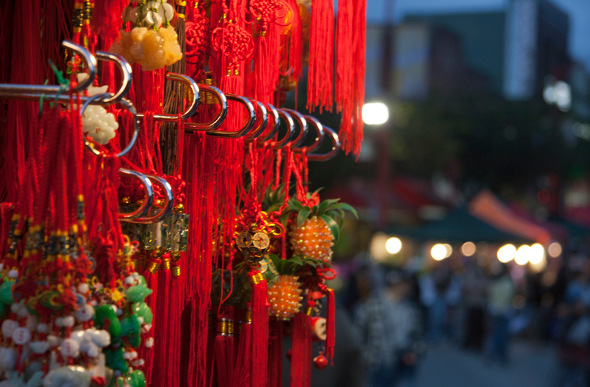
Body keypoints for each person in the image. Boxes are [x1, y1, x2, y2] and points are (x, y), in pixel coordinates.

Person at [485, 263, 515, 364]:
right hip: (498, 311)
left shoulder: (505, 282)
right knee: (498, 334)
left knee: (500, 334)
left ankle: (498, 354)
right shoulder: (501, 282)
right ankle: (497, 354)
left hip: (501, 311)